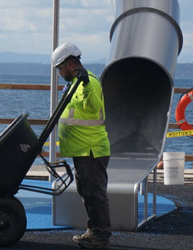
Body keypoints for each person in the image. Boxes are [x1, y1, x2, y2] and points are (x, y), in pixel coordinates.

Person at [51, 42, 112, 249]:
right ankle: (93, 231)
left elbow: (94, 106)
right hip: (82, 149)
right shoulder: (74, 83)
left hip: (91, 149)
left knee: (95, 194)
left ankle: (101, 237)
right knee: (87, 192)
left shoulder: (89, 82)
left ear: (69, 64)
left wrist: (85, 85)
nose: (59, 73)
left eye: (60, 68)